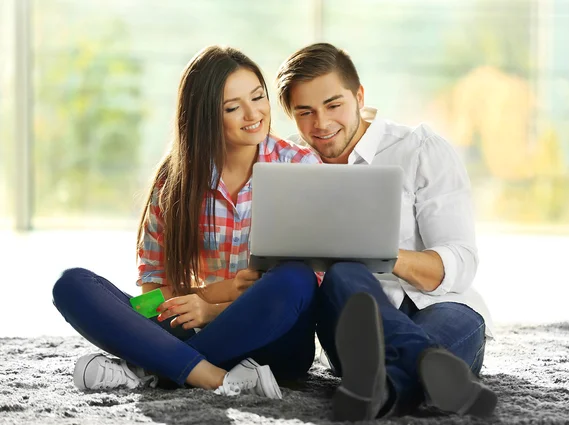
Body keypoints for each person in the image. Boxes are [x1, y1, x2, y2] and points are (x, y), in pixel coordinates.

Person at [52, 45, 322, 397]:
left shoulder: (301, 167)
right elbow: (154, 286)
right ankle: (215, 378)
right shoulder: (176, 179)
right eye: (232, 107)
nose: (253, 113)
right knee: (72, 285)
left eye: (258, 97)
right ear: (205, 115)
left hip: (272, 339)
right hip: (189, 322)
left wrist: (213, 310)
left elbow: (315, 280)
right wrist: (203, 298)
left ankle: (149, 368)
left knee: (296, 278)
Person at [275, 43, 498, 420]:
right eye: (305, 113)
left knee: (434, 332)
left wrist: (385, 255)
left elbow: (460, 260)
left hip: (439, 303)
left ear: (359, 96)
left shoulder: (419, 150)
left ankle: (380, 392)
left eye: (334, 105)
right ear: (291, 115)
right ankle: (434, 369)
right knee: (345, 272)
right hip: (351, 312)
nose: (322, 124)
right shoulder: (289, 166)